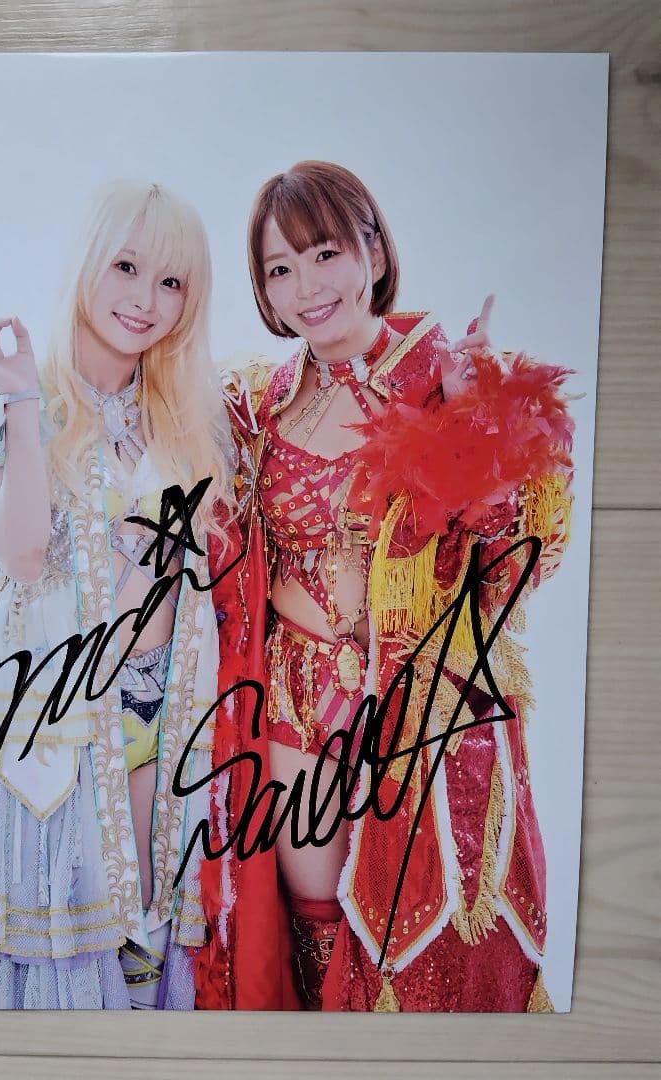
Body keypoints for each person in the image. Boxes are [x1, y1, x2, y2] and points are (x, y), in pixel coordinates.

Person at [197, 160, 574, 1012]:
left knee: (410, 941)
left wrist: (480, 434)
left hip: (415, 709)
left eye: (324, 253)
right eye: (279, 269)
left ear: (373, 249)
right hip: (293, 697)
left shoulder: (451, 378)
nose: (306, 287)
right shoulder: (257, 402)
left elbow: (517, 564)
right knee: (308, 922)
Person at [0, 179, 241, 1009]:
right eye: (126, 267)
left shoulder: (190, 418)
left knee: (149, 949)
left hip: (168, 722)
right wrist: (23, 402)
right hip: (60, 741)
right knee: (76, 965)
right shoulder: (4, 396)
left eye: (171, 282)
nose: (145, 300)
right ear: (86, 263)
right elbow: (23, 553)